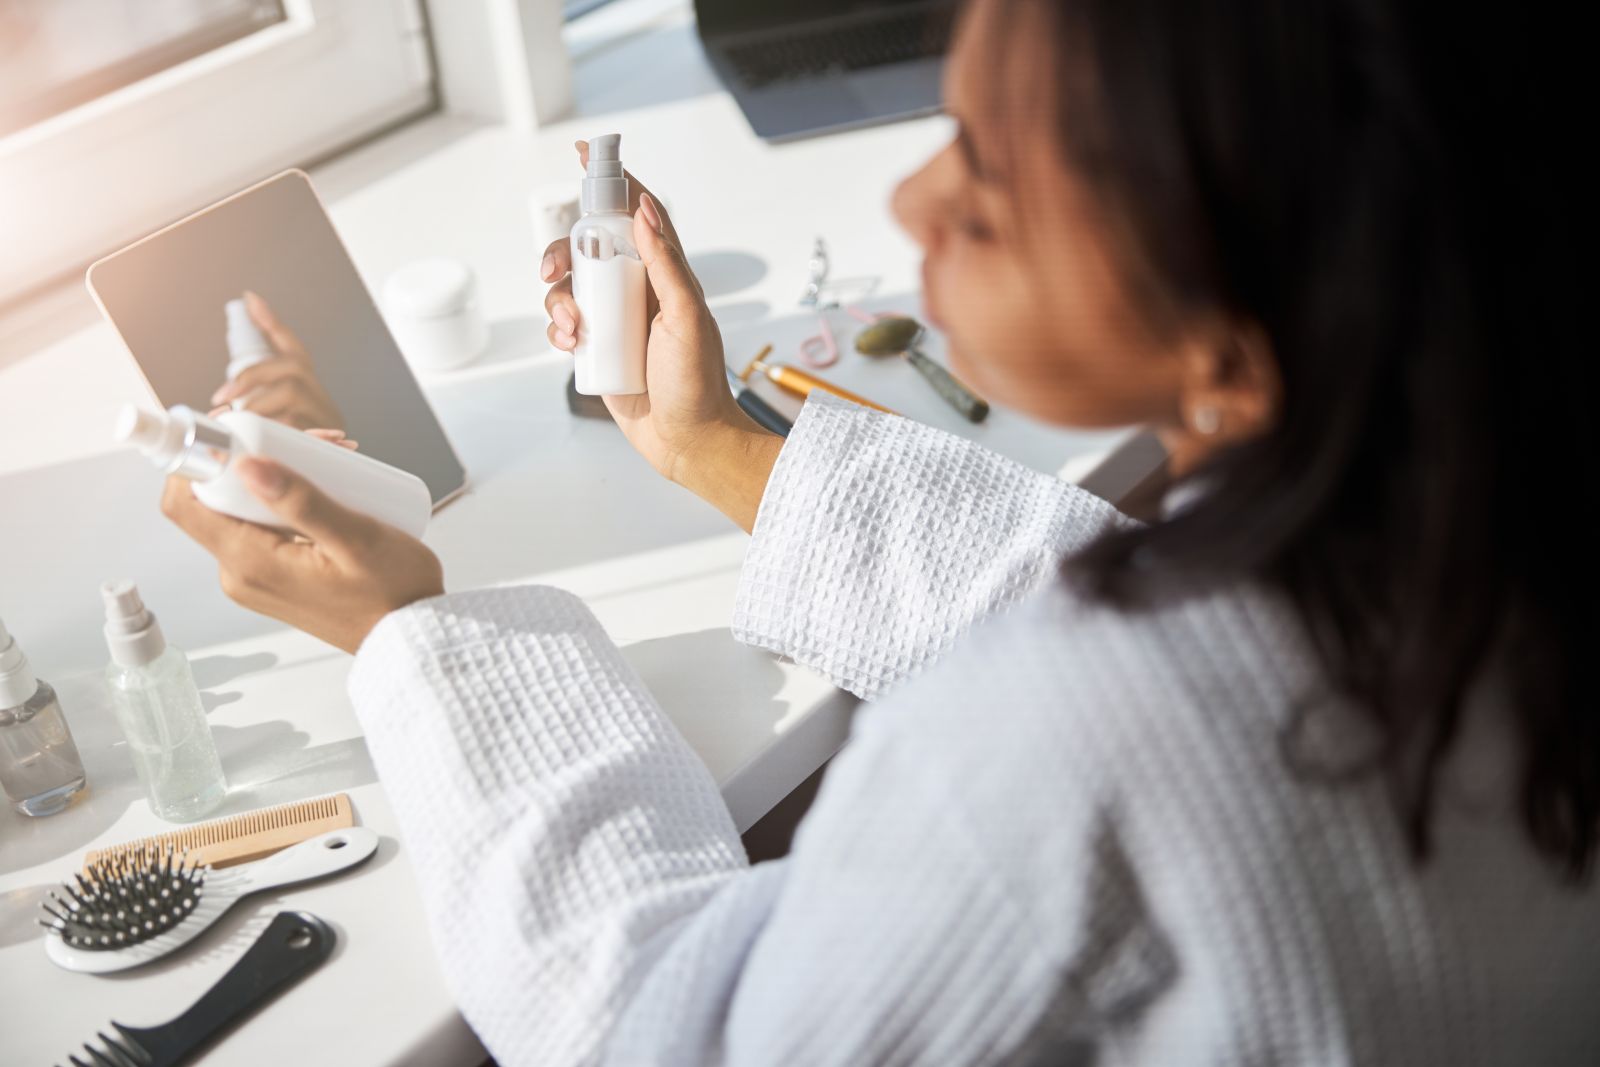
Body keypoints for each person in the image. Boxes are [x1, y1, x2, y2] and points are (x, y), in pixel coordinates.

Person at [161, 0, 1594, 1063]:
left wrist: (410, 635)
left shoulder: (1075, 754)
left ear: (1246, 329)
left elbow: (664, 1037)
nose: (914, 199)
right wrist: (717, 447)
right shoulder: (1467, 527)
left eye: (990, 172)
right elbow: (1099, 600)